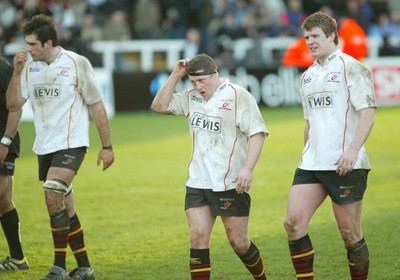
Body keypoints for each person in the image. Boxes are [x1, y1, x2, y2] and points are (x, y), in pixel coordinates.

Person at [6, 14, 114, 280]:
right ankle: (85, 268)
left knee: (52, 192)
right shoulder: (30, 68)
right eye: (27, 43)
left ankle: (59, 267)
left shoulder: (76, 63)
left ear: (48, 42)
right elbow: (13, 105)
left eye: (32, 44)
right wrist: (17, 73)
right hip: (45, 146)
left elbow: (96, 104)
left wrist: (107, 146)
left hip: (72, 143)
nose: (27, 49)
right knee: (66, 208)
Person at [151, 53, 269, 280]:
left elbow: (258, 133)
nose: (197, 86)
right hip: (198, 181)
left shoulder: (238, 95)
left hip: (230, 182)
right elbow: (159, 105)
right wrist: (177, 73)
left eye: (201, 81)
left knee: (239, 242)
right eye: (193, 82)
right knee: (198, 238)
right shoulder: (190, 97)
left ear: (215, 75)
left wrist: (248, 169)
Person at [283, 11, 376, 280]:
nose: (309, 42)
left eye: (314, 37)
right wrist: (304, 153)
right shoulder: (307, 76)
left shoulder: (352, 67)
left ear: (332, 36)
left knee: (349, 233)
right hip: (312, 163)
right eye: (306, 37)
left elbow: (368, 113)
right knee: (293, 223)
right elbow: (309, 122)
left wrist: (352, 150)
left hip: (345, 164)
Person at [0, 57, 28, 272]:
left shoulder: (3, 69)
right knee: (4, 201)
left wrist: (6, 141)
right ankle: (18, 259)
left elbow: (16, 107)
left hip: (3, 142)